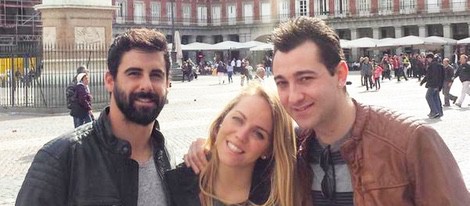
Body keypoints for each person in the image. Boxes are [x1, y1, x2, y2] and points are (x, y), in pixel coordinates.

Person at [185, 17, 470, 205]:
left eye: (306, 78)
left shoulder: (410, 143)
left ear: (341, 74)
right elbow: (237, 158)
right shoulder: (290, 152)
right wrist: (204, 148)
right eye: (282, 83)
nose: (293, 96)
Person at [16, 28, 173, 206]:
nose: (146, 85)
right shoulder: (60, 160)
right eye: (134, 73)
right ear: (109, 81)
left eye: (156, 75)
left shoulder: (167, 157)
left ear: (168, 83)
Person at [165, 83, 297, 206]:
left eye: (258, 133)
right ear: (222, 120)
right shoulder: (175, 185)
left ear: (268, 150)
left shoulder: (278, 199)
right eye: (238, 119)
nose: (241, 135)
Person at [420, 53, 445, 118]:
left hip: (433, 84)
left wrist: (430, 83)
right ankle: (439, 112)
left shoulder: (433, 65)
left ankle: (435, 111)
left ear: (430, 58)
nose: (427, 60)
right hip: (437, 84)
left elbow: (432, 75)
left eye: (427, 59)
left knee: (428, 97)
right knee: (435, 98)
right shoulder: (438, 64)